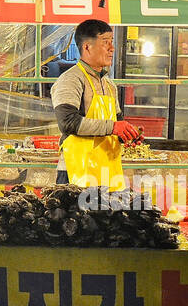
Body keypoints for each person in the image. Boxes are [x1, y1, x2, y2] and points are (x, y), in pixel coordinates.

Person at [49, 18, 141, 186]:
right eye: (105, 42)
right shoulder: (70, 79)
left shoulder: (109, 84)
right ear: (87, 47)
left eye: (111, 42)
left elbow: (116, 124)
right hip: (76, 172)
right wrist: (113, 127)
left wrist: (127, 135)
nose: (112, 48)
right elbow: (68, 122)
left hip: (107, 171)